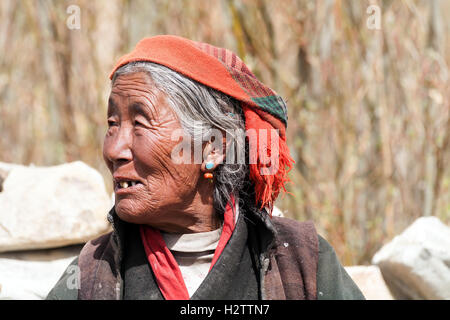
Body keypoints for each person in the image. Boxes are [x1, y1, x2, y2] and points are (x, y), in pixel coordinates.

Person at [46, 35, 364, 300]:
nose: (114, 149)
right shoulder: (92, 274)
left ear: (211, 147)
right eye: (112, 124)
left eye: (140, 124)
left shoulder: (301, 263)